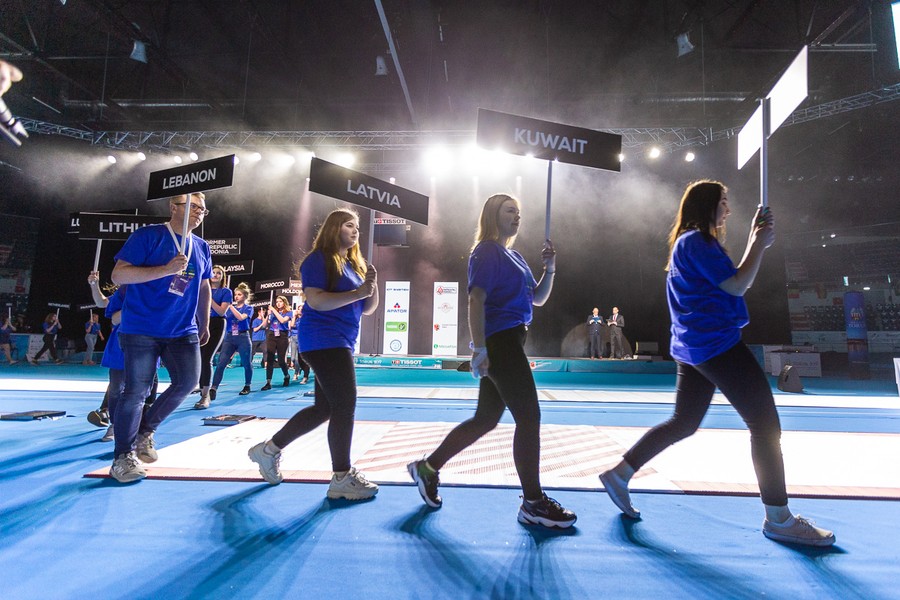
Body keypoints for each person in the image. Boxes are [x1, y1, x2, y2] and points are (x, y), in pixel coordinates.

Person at [598, 180, 835, 546]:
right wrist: (757, 241)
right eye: (723, 202)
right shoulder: (697, 242)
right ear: (706, 205)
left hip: (692, 346)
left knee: (684, 422)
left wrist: (757, 242)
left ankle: (621, 473)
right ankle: (779, 517)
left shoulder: (685, 243)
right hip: (716, 344)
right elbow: (738, 285)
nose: (728, 209)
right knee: (765, 425)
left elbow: (732, 282)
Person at [407, 193, 576, 528]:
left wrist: (551, 268)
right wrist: (480, 348)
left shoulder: (514, 256)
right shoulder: (486, 250)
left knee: (486, 419)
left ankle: (428, 468)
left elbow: (538, 298)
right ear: (492, 215)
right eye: (509, 210)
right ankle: (533, 502)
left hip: (512, 338)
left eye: (519, 211)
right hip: (500, 340)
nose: (517, 216)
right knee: (529, 417)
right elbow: (476, 298)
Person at [248, 208, 379, 501]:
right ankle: (342, 477)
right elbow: (317, 301)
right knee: (345, 405)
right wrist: (359, 292)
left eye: (357, 226)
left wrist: (372, 284)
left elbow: (367, 308)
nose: (356, 231)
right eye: (349, 225)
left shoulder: (352, 265)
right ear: (334, 228)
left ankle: (267, 450)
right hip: (323, 339)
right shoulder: (319, 259)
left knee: (326, 409)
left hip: (341, 340)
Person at [108, 192, 212, 483]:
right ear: (173, 208)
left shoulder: (201, 246)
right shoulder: (148, 236)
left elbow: (204, 287)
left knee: (189, 382)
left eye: (203, 209)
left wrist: (204, 322)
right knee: (136, 391)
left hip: (182, 329)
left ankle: (145, 430)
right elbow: (119, 276)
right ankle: (122, 456)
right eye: (192, 207)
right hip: (141, 327)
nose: (199, 212)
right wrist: (166, 270)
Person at [202, 282, 255, 407]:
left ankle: (247, 385)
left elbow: (241, 318)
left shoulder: (248, 308)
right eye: (235, 294)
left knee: (247, 363)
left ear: (245, 296)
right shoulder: (228, 309)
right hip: (230, 337)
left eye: (239, 295)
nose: (236, 297)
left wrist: (231, 306)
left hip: (243, 337)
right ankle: (214, 388)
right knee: (221, 363)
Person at [195, 265, 232, 409]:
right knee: (198, 358)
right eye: (213, 273)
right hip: (200, 322)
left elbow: (222, 311)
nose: (215, 275)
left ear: (223, 277)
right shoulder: (201, 288)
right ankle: (200, 388)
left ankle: (206, 395)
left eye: (219, 273)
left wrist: (209, 298)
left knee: (206, 358)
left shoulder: (226, 292)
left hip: (217, 323)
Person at [260, 295, 292, 391]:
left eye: (280, 301)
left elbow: (282, 321)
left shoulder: (289, 312)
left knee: (281, 360)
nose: (278, 303)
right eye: (277, 301)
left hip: (282, 336)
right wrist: (267, 316)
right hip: (271, 334)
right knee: (270, 358)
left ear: (284, 303)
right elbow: (264, 325)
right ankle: (268, 382)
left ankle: (286, 375)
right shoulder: (273, 312)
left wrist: (273, 310)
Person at [290, 300, 310, 384]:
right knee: (294, 359)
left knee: (303, 359)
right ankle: (297, 371)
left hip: (303, 339)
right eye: (299, 309)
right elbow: (291, 326)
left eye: (302, 309)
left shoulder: (306, 318)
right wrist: (294, 317)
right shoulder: (296, 318)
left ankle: (305, 376)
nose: (300, 310)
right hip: (294, 338)